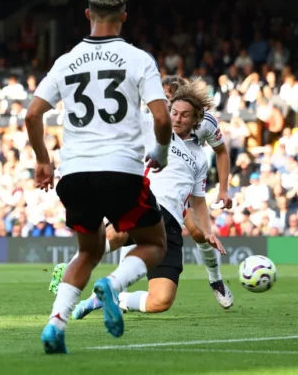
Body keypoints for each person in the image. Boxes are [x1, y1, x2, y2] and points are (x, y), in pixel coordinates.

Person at [26, 0, 172, 354]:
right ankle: (114, 284)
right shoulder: (139, 59)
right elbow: (162, 118)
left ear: (88, 14)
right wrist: (160, 152)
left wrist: (43, 161)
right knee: (155, 243)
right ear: (124, 15)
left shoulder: (65, 61)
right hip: (121, 170)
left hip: (74, 174)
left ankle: (55, 325)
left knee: (88, 252)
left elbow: (32, 115)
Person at [54, 79, 229, 319]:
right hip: (146, 203)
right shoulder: (152, 125)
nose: (177, 119)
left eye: (184, 116)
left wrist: (207, 230)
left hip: (172, 224)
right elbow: (121, 115)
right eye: (174, 113)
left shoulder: (199, 157)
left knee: (161, 300)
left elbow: (197, 200)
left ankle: (109, 297)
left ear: (196, 121)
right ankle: (70, 269)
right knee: (118, 233)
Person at [160, 75, 234, 306]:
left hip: (189, 176)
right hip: (160, 181)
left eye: (169, 96)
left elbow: (221, 152)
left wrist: (223, 190)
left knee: (200, 233)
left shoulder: (206, 122)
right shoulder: (157, 114)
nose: (166, 102)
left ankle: (216, 280)